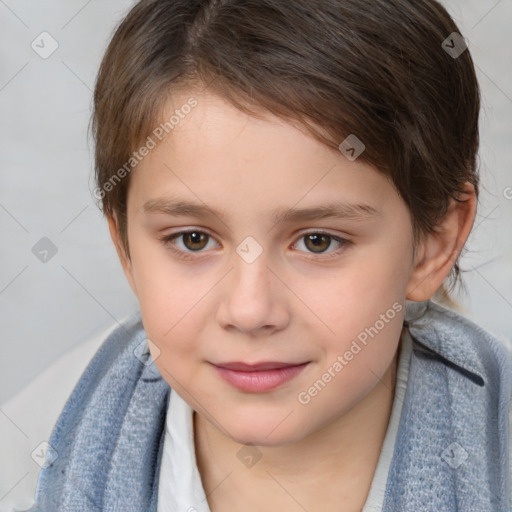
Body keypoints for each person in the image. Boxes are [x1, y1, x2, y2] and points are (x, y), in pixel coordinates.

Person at [29, 0, 512, 511]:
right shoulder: (26, 467)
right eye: (193, 239)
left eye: (318, 241)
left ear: (433, 244)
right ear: (126, 246)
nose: (249, 310)